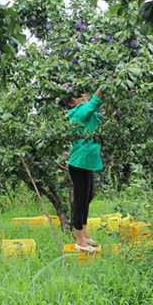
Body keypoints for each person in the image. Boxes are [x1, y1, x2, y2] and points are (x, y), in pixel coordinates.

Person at [66, 88, 105, 253]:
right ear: (70, 102)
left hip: (87, 163)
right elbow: (96, 102)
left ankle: (84, 233)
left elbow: (99, 117)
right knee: (80, 201)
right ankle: (79, 240)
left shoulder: (85, 112)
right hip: (79, 163)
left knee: (87, 197)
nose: (82, 96)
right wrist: (104, 87)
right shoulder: (79, 111)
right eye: (78, 96)